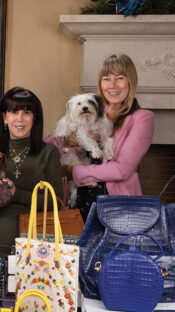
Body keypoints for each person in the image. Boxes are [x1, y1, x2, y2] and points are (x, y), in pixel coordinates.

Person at [63, 54, 154, 220]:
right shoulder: (92, 111)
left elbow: (121, 170)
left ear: (130, 82)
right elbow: (67, 144)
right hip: (79, 203)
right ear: (100, 83)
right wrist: (67, 144)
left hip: (117, 207)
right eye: (106, 79)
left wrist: (75, 171)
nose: (112, 85)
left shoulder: (142, 118)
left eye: (119, 78)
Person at [0, 87, 62, 257]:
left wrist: (15, 193)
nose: (20, 118)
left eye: (26, 112)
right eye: (14, 112)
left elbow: (56, 202)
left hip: (38, 235)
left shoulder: (48, 152)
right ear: (5, 118)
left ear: (34, 118)